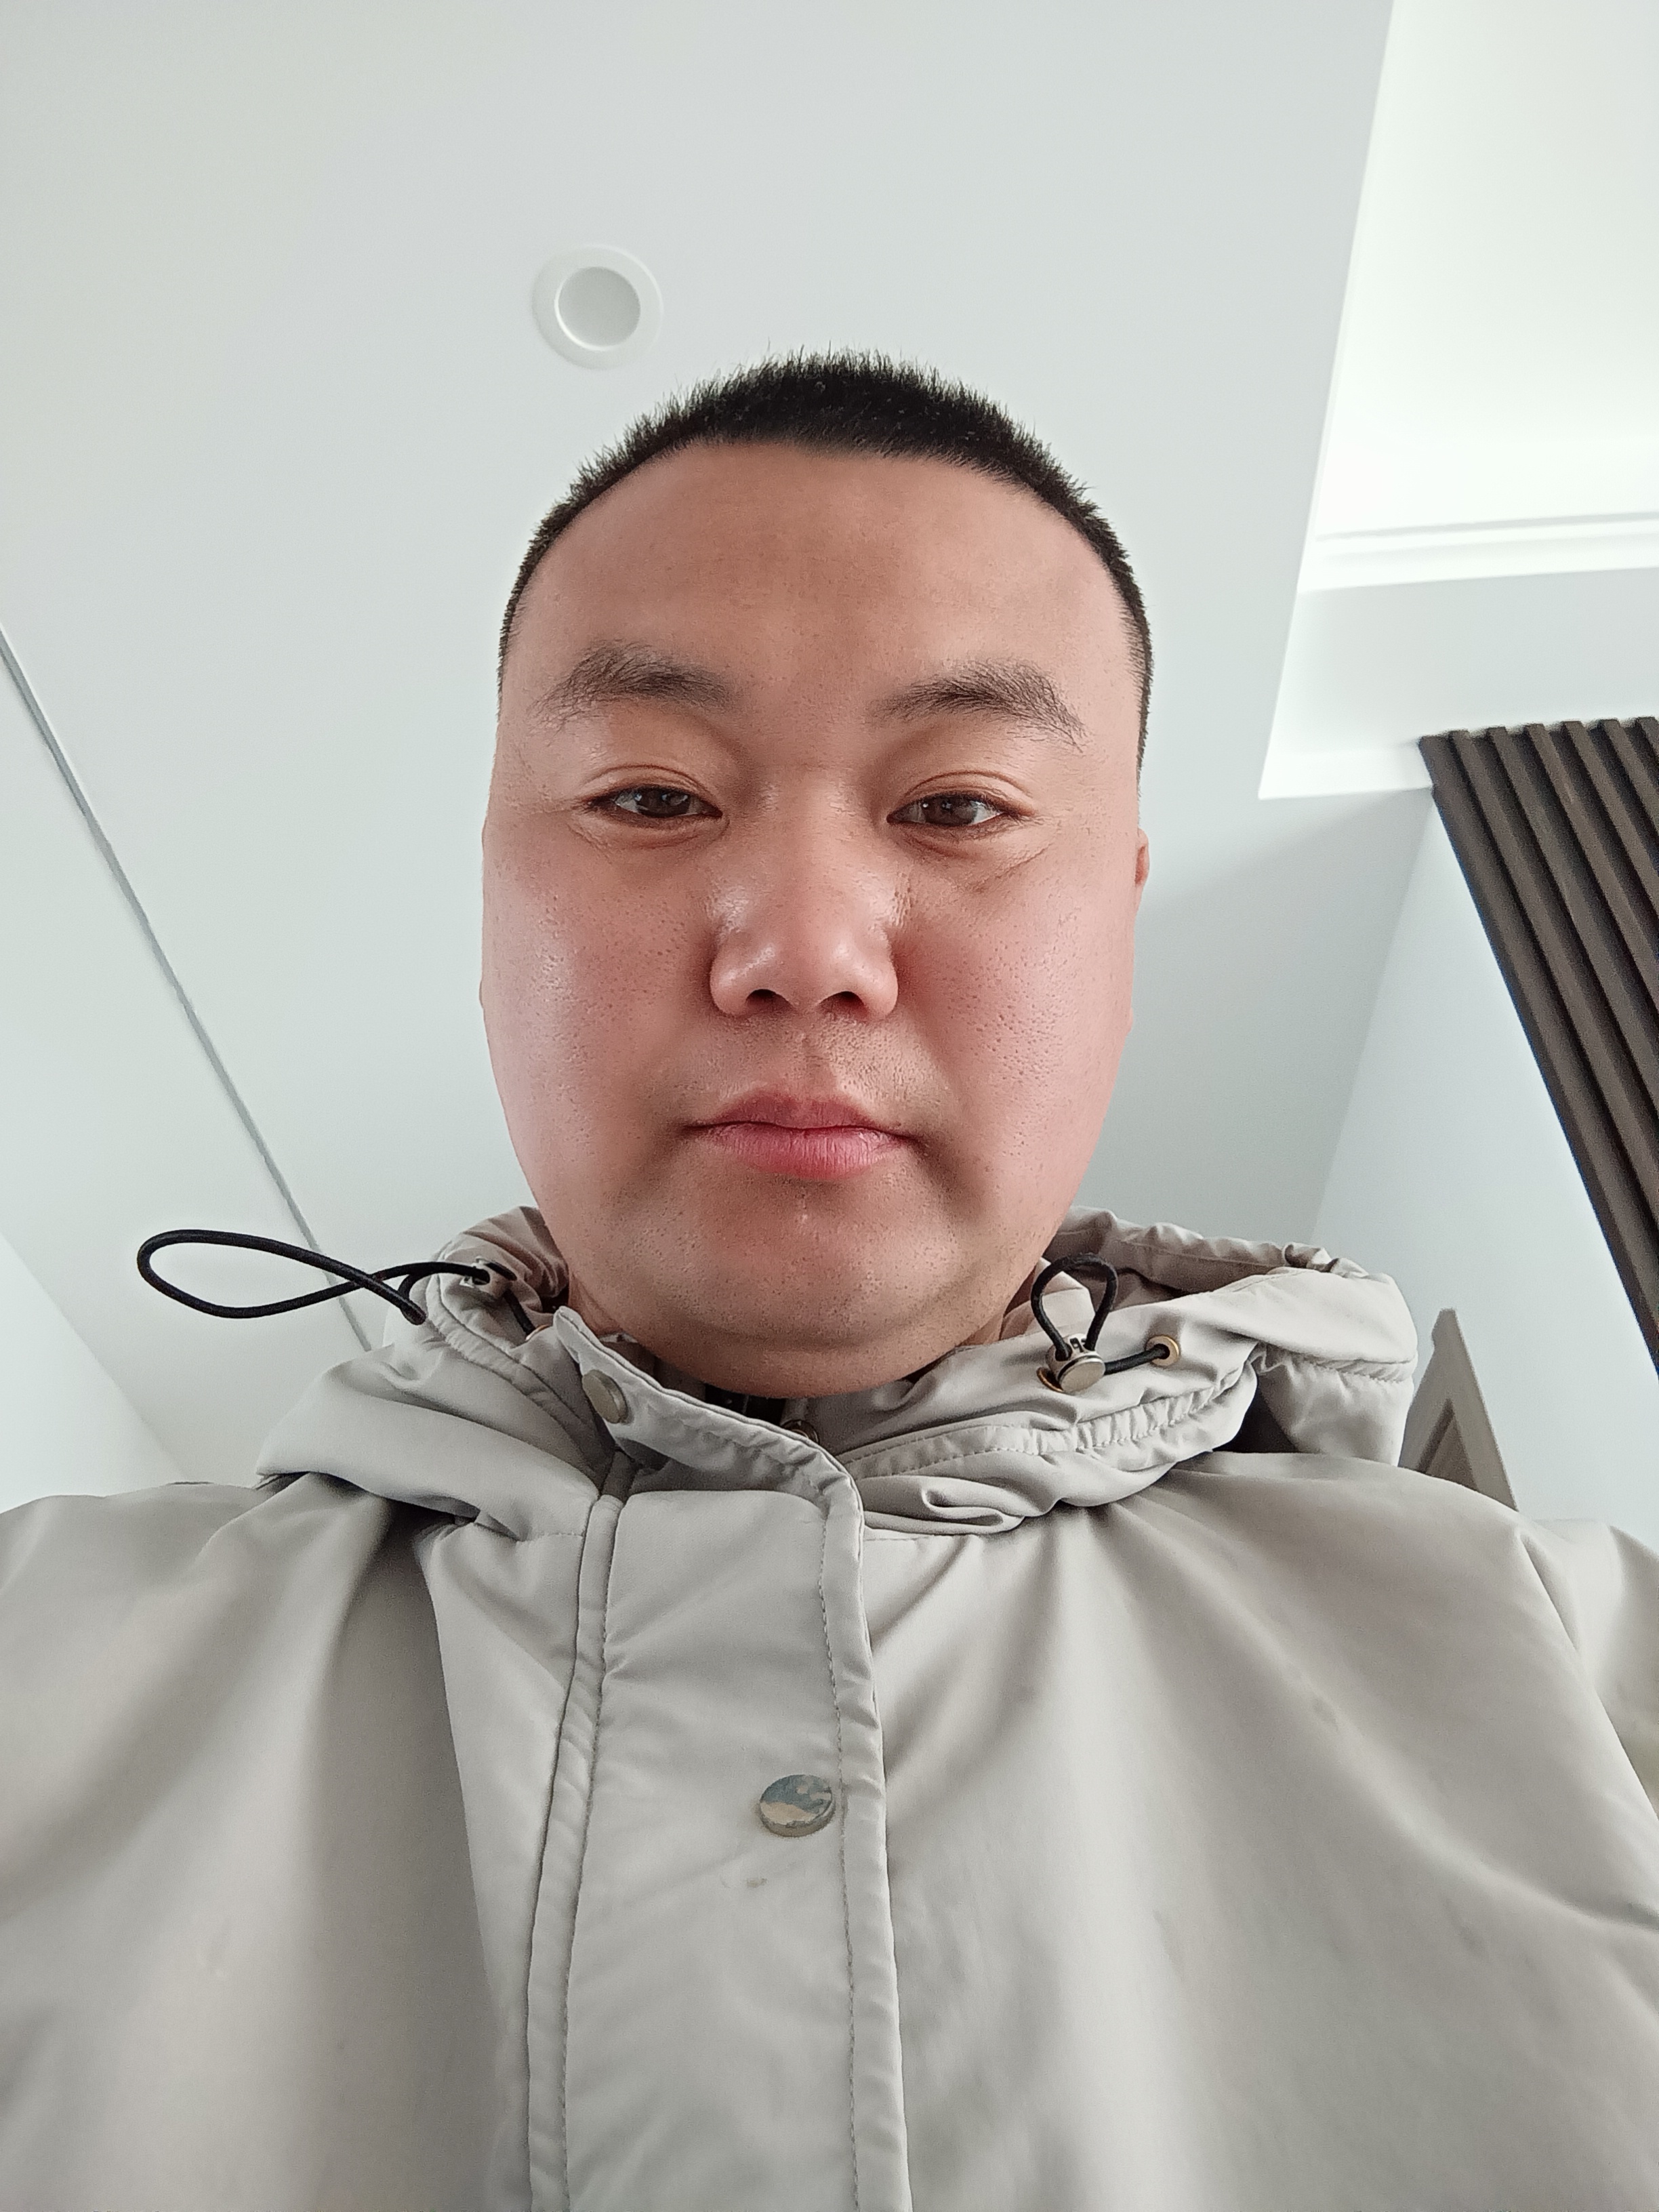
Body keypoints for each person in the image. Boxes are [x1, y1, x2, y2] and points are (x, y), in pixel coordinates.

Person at [3, 354, 1657, 2212]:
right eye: (649, 795)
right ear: (489, 911)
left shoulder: (1580, 1687)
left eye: (957, 807)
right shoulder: (37, 1665)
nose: (802, 948)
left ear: (1119, 928)